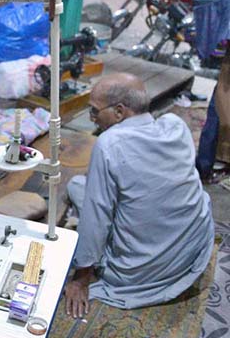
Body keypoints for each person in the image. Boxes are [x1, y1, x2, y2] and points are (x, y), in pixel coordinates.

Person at [64, 73, 214, 317]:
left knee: (77, 188)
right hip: (188, 255)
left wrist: (81, 278)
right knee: (83, 186)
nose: (93, 119)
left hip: (139, 271)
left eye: (94, 111)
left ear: (119, 112)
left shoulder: (109, 143)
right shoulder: (176, 126)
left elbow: (96, 219)